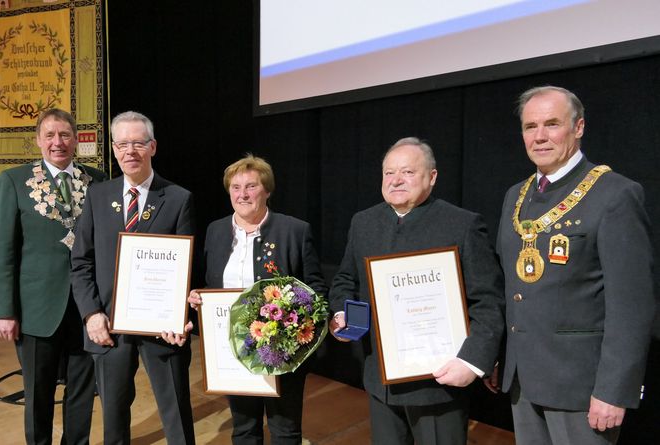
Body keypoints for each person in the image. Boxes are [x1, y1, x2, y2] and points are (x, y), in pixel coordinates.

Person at [491, 86, 655, 444]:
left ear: (578, 127)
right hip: (523, 380)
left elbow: (632, 306)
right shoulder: (514, 196)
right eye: (530, 126)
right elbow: (513, 289)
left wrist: (614, 389)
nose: (540, 136)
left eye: (552, 124)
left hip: (581, 388)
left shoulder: (614, 194)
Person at [328, 137, 504, 444]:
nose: (396, 180)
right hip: (380, 381)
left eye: (407, 172)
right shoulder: (364, 222)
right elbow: (345, 279)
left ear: (432, 177)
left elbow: (488, 301)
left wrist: (472, 362)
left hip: (438, 385)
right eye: (389, 173)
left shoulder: (462, 225)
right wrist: (343, 313)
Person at [70, 111, 196, 445]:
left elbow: (186, 269)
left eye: (138, 143)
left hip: (162, 329)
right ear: (113, 149)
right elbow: (80, 262)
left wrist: (181, 316)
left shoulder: (179, 198)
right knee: (113, 418)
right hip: (109, 327)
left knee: (177, 415)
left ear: (152, 147)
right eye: (123, 144)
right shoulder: (97, 196)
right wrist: (91, 314)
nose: (130, 151)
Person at [186, 154, 327, 445]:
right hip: (233, 349)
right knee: (244, 428)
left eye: (251, 186)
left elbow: (316, 288)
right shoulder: (215, 231)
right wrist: (199, 297)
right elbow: (210, 285)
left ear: (267, 190)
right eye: (235, 187)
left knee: (285, 430)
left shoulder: (295, 231)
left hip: (282, 352)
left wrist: (295, 325)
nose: (242, 194)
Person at [0, 108, 106, 445]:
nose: (58, 142)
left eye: (65, 135)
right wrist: (4, 311)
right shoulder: (14, 181)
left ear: (76, 139)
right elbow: (2, 252)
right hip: (37, 311)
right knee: (38, 394)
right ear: (39, 140)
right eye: (51, 135)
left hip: (88, 309)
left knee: (82, 392)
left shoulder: (97, 181)